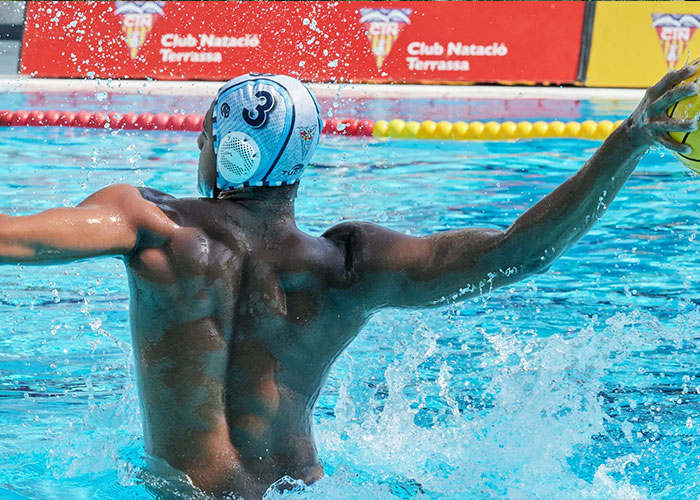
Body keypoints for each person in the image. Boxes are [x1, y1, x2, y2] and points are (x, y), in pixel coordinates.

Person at [0, 69, 697, 499]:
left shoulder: (149, 227)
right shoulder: (349, 267)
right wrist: (628, 139)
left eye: (208, 132)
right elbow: (520, 255)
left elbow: (14, 238)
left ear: (227, 143)